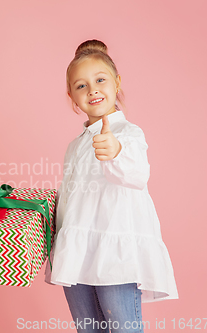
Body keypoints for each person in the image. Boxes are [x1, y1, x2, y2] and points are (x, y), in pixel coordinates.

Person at [49, 40, 178, 332]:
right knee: (89, 328)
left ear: (117, 82)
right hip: (77, 254)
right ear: (71, 96)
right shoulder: (75, 145)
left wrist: (116, 151)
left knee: (122, 328)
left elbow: (136, 174)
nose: (92, 89)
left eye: (100, 80)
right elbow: (72, 198)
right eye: (81, 86)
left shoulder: (128, 134)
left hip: (115, 255)